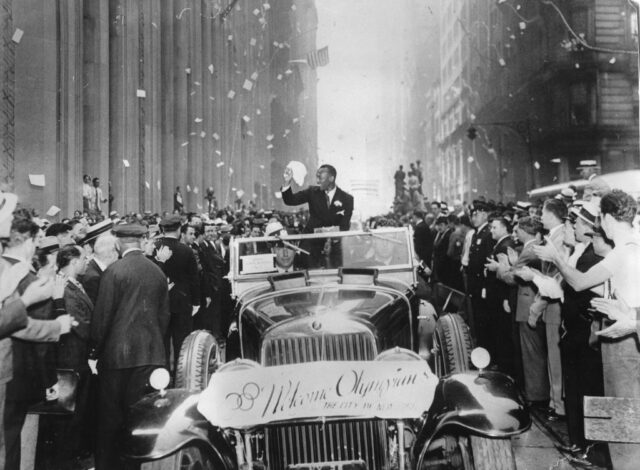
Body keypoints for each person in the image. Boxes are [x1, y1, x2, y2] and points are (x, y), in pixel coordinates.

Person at [536, 190, 640, 469]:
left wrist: (556, 258)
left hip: (624, 345)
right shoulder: (633, 245)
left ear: (606, 218)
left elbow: (579, 282)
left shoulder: (623, 251)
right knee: (624, 419)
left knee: (623, 421)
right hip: (626, 334)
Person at [91, 223, 170, 470]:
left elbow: (102, 317)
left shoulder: (114, 272)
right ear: (140, 241)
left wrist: (94, 351)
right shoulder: (157, 272)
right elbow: (165, 316)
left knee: (111, 422)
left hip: (117, 359)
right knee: (141, 420)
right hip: (151, 357)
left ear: (118, 243)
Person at [51, 245, 93, 467]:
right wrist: (99, 336)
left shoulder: (74, 285)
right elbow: (80, 324)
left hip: (78, 356)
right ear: (74, 262)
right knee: (71, 410)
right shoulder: (67, 289)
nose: (87, 262)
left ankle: (72, 453)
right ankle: (67, 459)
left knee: (78, 408)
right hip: (72, 358)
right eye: (84, 258)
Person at [530, 198, 568, 420]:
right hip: (549, 303)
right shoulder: (553, 237)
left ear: (552, 214)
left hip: (554, 304)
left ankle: (559, 405)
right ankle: (556, 402)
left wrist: (537, 305)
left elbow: (555, 277)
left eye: (542, 213)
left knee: (556, 358)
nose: (540, 217)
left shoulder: (559, 238)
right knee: (552, 357)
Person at [281, 164, 353, 268]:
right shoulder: (312, 192)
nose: (318, 181)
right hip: (311, 245)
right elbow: (290, 200)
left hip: (334, 248)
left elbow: (345, 226)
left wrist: (331, 240)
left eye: (320, 178)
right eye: (317, 177)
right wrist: (287, 182)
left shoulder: (347, 199)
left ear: (331, 178)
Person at [154, 215, 200, 371]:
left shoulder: (154, 248)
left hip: (160, 303)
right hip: (182, 303)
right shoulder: (186, 250)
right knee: (182, 344)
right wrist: (196, 302)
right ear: (180, 230)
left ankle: (164, 378)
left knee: (162, 344)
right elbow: (194, 278)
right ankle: (182, 375)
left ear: (162, 229)